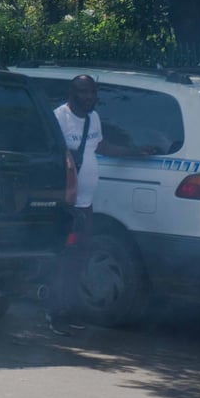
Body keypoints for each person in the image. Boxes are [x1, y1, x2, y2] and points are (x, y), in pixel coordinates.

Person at [47, 74, 154, 336]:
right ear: (72, 94)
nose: (91, 98)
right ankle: (55, 314)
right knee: (64, 260)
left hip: (86, 205)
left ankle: (68, 312)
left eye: (93, 93)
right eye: (85, 93)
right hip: (65, 205)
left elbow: (99, 145)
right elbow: (52, 155)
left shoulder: (93, 118)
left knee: (79, 258)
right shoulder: (59, 118)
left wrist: (133, 151)